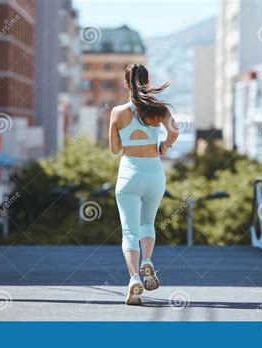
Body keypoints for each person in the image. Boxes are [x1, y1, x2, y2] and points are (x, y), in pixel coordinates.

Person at [109, 63, 179, 305]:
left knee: (129, 231)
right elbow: (174, 130)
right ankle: (148, 261)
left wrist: (126, 137)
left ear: (126, 84)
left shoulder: (117, 112)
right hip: (154, 174)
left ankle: (135, 278)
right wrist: (164, 146)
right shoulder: (159, 110)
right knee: (147, 222)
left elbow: (115, 149)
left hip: (129, 173)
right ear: (147, 83)